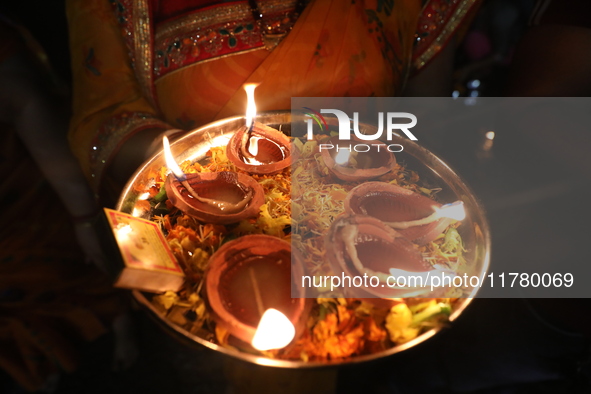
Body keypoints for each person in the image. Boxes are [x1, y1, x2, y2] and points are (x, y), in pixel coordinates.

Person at [66, 0, 481, 205]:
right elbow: (107, 118)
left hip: (371, 220)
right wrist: (216, 186)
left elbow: (424, 123)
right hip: (212, 226)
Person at [0, 16, 135, 392]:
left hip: (33, 191)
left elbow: (24, 101)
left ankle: (118, 317)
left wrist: (83, 215)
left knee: (80, 256)